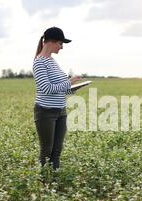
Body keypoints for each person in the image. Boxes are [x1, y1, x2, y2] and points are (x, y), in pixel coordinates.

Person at [33, 26, 82, 176]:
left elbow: (62, 89)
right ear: (52, 42)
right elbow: (46, 88)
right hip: (46, 112)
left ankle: (54, 180)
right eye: (61, 43)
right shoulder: (39, 62)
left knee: (57, 149)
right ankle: (43, 181)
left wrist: (75, 87)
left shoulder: (53, 62)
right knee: (46, 150)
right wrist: (69, 82)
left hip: (61, 111)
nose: (61, 47)